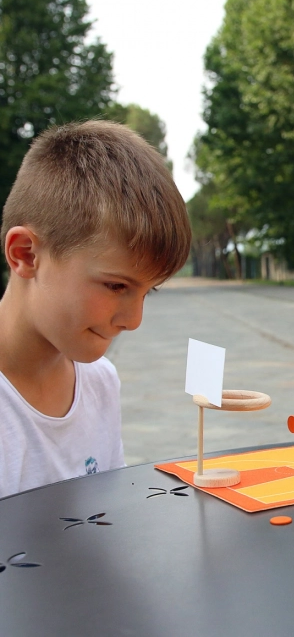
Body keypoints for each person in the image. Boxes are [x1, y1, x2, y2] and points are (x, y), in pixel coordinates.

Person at [0, 120, 192, 497]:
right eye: (117, 286)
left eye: (146, 293)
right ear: (26, 254)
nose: (134, 320)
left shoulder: (100, 382)